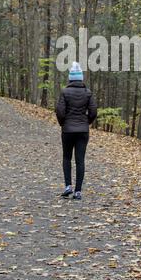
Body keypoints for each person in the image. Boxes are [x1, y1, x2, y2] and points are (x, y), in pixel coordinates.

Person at [56, 62, 97, 200]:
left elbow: (60, 111)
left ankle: (68, 186)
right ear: (81, 78)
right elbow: (93, 112)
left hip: (67, 130)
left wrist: (63, 123)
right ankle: (78, 191)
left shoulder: (64, 92)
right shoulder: (88, 93)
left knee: (66, 157)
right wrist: (86, 123)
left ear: (70, 78)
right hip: (82, 131)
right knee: (80, 160)